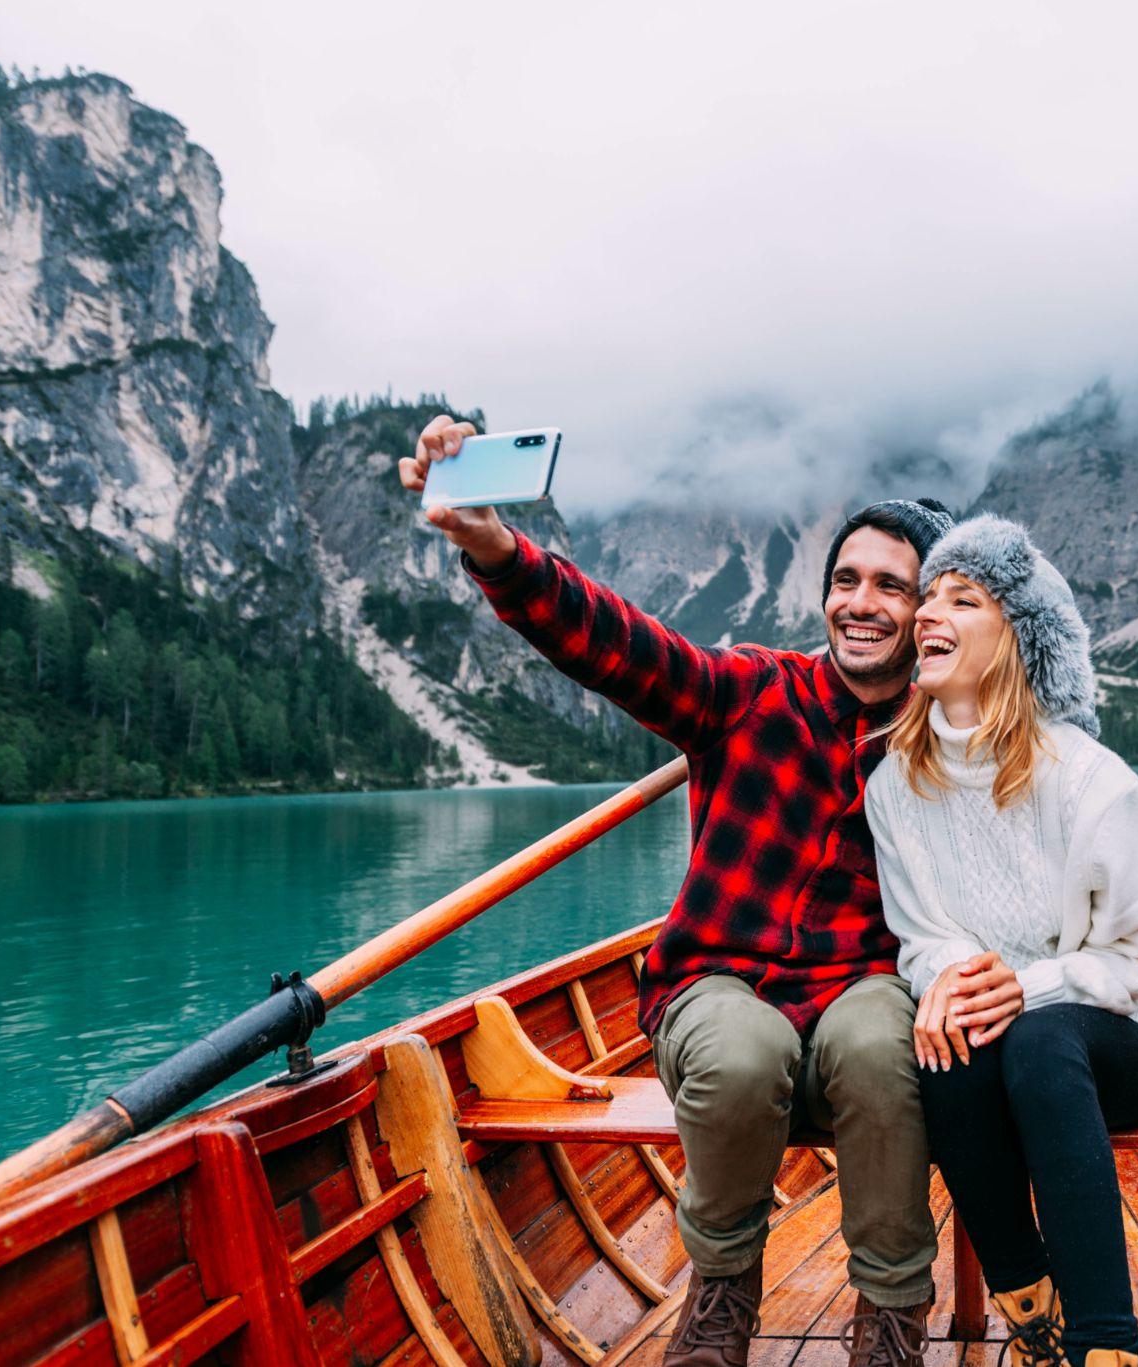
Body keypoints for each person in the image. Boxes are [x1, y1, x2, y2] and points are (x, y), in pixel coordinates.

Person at [399, 415, 954, 1367]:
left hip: (862, 981)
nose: (861, 603)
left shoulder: (950, 737)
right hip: (716, 984)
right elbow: (608, 639)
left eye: (891, 587)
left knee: (879, 1042)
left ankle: (892, 1320)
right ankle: (722, 1296)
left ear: (927, 615)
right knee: (743, 1051)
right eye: (847, 580)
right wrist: (494, 545)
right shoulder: (744, 691)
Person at [864, 515, 1138, 1367]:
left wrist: (1027, 986)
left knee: (1039, 1039)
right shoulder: (895, 785)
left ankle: (1106, 1346)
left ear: (1017, 638)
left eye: (962, 598)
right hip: (999, 1035)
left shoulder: (1090, 779)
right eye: (927, 596)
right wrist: (947, 981)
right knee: (944, 1040)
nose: (930, 611)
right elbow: (921, 933)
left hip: (1119, 1032)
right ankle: (1031, 1304)